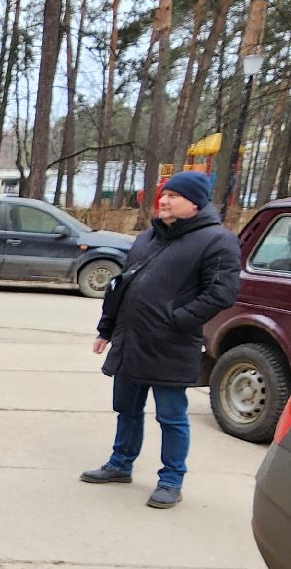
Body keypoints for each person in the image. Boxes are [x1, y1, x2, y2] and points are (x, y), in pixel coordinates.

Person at [81, 170, 241, 509]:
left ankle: (171, 480)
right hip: (130, 340)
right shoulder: (147, 238)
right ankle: (120, 464)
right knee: (127, 409)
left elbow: (221, 294)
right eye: (163, 194)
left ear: (194, 202)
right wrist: (106, 329)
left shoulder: (217, 240)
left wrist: (177, 320)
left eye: (173, 196)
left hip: (170, 345)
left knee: (171, 416)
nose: (164, 200)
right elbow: (120, 287)